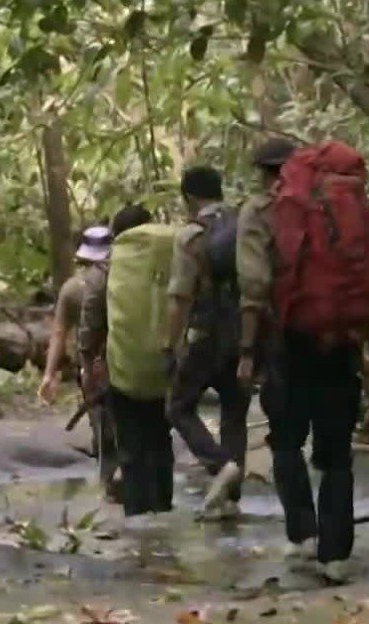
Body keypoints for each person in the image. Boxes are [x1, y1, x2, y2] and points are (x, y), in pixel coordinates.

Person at [238, 139, 369, 585]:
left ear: (265, 173)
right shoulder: (347, 203)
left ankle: (303, 534)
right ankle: (336, 554)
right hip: (342, 339)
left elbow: (253, 285)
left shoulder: (260, 211)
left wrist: (247, 351)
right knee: (337, 452)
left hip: (289, 339)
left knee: (286, 440)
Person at [164, 165, 247, 520]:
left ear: (189, 198)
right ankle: (229, 497)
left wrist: (170, 344)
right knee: (234, 411)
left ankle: (219, 465)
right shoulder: (244, 224)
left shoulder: (191, 237)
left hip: (206, 333)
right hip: (245, 331)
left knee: (179, 406)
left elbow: (180, 298)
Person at [79, 204, 175, 514]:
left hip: (122, 367)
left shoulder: (105, 271)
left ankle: (137, 515)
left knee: (131, 443)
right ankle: (162, 506)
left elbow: (91, 324)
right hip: (165, 364)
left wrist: (87, 363)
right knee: (160, 438)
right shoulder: (172, 259)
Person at [40, 226, 114, 453]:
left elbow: (59, 333)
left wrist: (49, 374)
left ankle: (109, 473)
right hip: (127, 362)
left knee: (103, 432)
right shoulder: (126, 282)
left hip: (93, 366)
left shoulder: (72, 289)